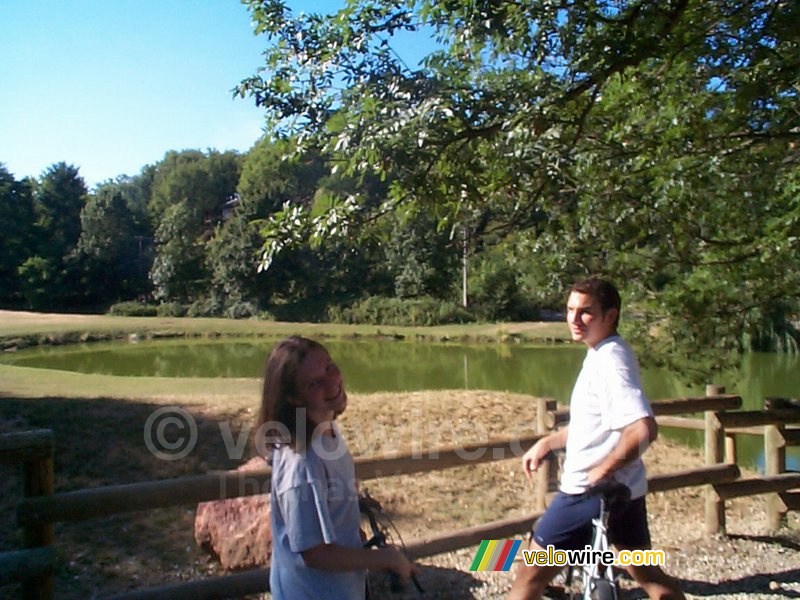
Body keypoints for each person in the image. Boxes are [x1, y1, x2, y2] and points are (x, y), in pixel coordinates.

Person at [508, 278, 685, 600]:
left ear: (610, 315)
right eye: (570, 310)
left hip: (584, 494)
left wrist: (602, 471)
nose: (574, 319)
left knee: (528, 579)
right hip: (625, 494)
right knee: (646, 573)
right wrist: (551, 442)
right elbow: (600, 425)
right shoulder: (606, 352)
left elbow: (643, 429)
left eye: (586, 312)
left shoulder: (610, 361)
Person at [258, 335, 417, 600]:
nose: (333, 383)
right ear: (294, 398)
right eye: (315, 383)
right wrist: (386, 559)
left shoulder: (326, 428)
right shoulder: (302, 462)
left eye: (330, 368)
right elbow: (314, 553)